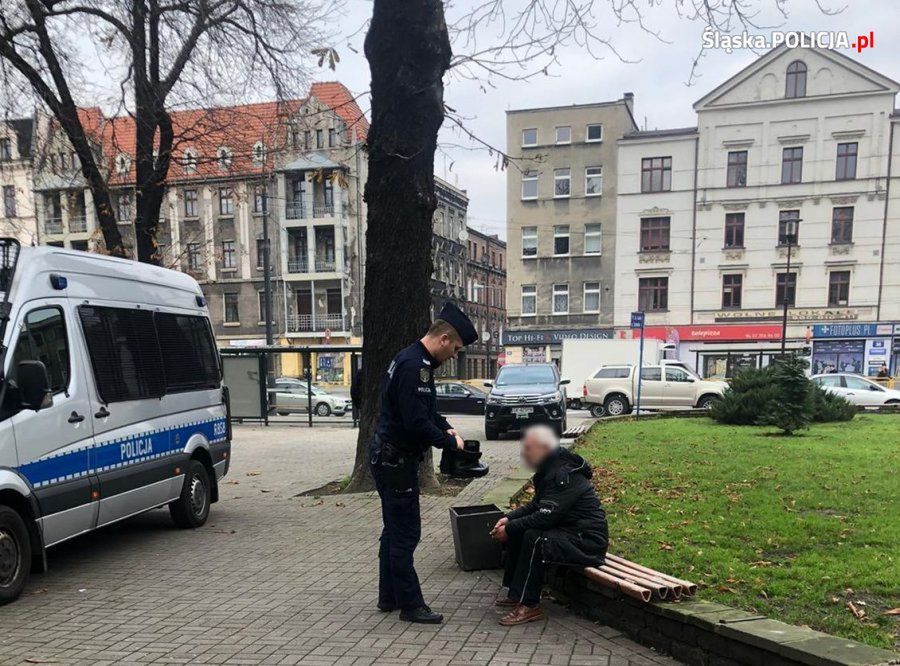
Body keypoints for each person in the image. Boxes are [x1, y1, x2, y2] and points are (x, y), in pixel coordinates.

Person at [368, 302, 478, 624]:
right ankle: (411, 606)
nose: (455, 355)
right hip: (395, 462)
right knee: (405, 534)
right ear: (444, 338)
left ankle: (389, 596)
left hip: (390, 457)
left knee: (393, 531)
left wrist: (445, 426)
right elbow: (416, 423)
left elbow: (424, 411)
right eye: (455, 348)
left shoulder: (416, 360)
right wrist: (450, 443)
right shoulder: (414, 365)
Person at [490, 424, 608, 626]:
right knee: (522, 530)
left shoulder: (563, 475)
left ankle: (529, 606)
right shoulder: (548, 470)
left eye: (528, 449)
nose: (524, 454)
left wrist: (509, 529)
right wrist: (509, 519)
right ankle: (516, 593)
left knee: (535, 538)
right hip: (569, 533)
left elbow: (546, 517)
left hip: (587, 541)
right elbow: (538, 505)